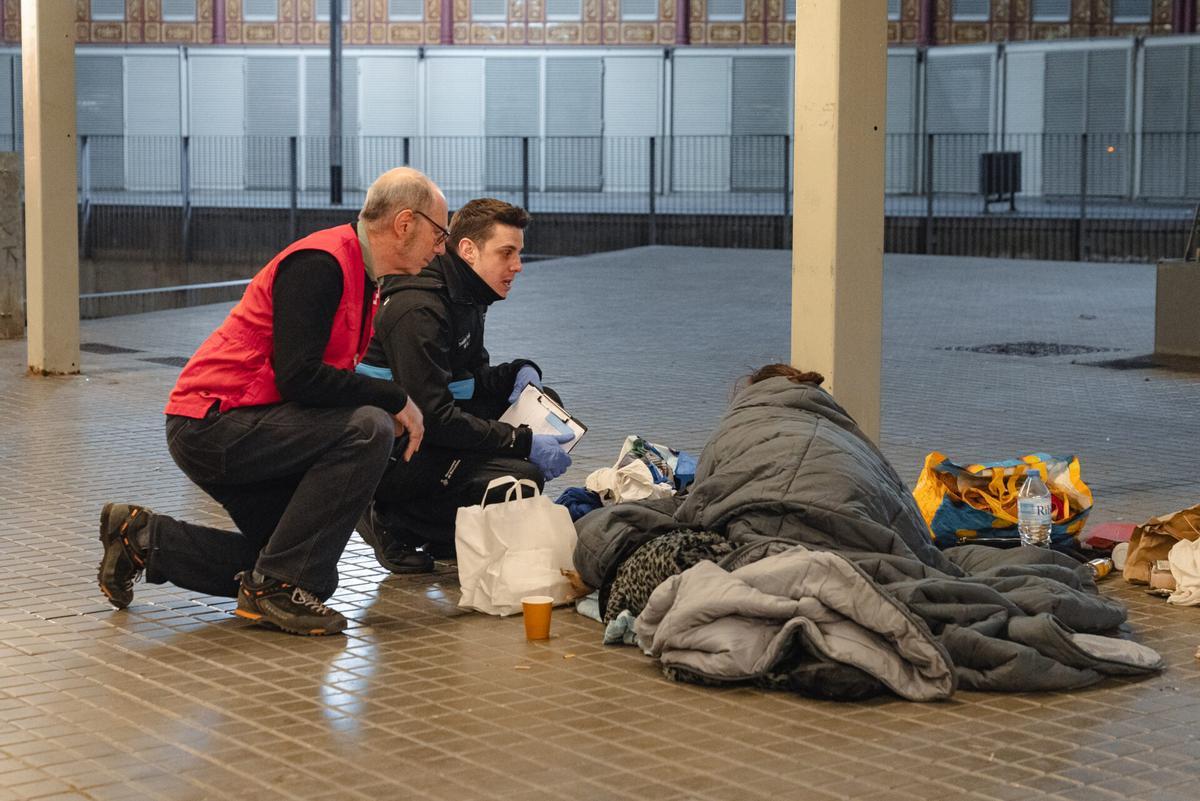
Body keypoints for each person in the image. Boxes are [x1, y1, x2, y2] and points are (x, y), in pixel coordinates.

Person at [96, 167, 449, 636]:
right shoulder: (320, 264)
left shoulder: (364, 276)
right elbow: (300, 377)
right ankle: (275, 589)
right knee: (369, 427)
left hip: (249, 424)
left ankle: (141, 538)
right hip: (212, 424)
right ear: (405, 223)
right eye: (440, 234)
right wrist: (393, 398)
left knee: (304, 568)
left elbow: (318, 379)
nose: (440, 248)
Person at [355, 198, 572, 574]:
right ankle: (393, 518)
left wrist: (519, 373)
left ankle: (443, 528)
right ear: (469, 250)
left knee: (541, 403)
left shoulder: (466, 293)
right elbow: (433, 418)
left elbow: (469, 381)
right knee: (521, 476)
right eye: (506, 253)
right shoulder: (419, 309)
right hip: (395, 452)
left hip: (429, 428)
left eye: (518, 253)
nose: (517, 265)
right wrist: (520, 441)